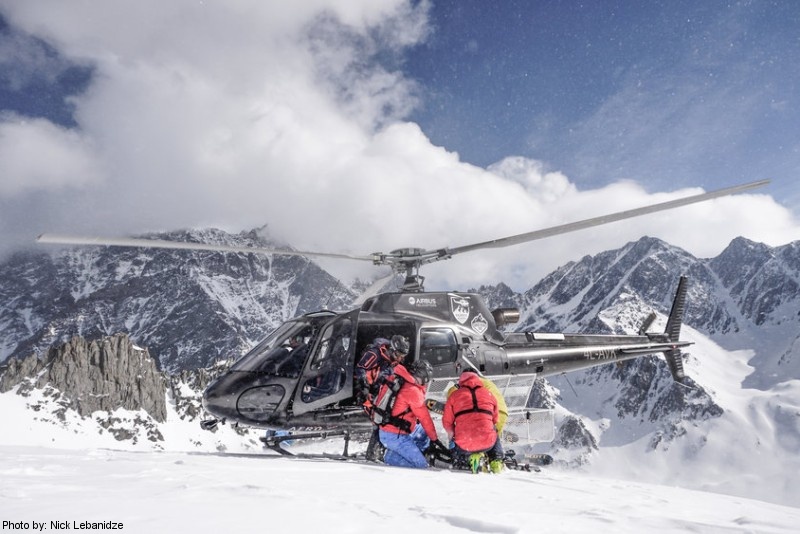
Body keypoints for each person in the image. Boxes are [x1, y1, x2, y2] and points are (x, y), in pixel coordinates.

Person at [378, 360, 442, 469]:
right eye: (426, 379)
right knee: (421, 466)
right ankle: (391, 457)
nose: (426, 383)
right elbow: (424, 418)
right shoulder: (413, 390)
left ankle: (409, 452)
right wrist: (435, 439)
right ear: (420, 376)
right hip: (395, 435)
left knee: (422, 432)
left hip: (389, 430)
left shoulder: (402, 380)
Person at [355, 335, 410, 461]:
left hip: (380, 391)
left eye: (403, 356)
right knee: (378, 420)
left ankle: (379, 451)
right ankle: (373, 454)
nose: (401, 358)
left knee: (386, 418)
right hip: (366, 390)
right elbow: (360, 368)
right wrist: (364, 387)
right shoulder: (375, 354)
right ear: (392, 349)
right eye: (399, 355)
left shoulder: (393, 360)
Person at [442, 369, 505, 473]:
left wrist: (452, 434)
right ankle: (496, 460)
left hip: (464, 445)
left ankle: (466, 458)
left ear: (461, 380)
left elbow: (447, 422)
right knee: (493, 429)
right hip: (487, 443)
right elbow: (495, 419)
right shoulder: (488, 393)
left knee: (455, 436)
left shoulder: (454, 395)